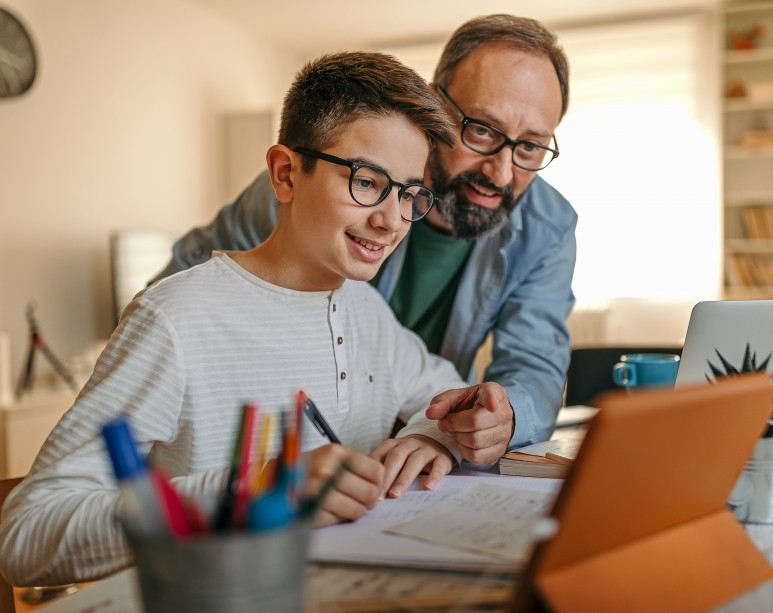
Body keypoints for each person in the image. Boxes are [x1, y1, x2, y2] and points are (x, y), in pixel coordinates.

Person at [0, 51, 512, 586]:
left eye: (409, 193)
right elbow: (26, 536)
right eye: (366, 181)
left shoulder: (365, 309)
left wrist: (436, 436)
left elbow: (451, 395)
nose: (389, 220)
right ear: (285, 174)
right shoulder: (175, 320)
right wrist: (254, 493)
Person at [153, 14, 577, 466]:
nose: (502, 172)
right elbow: (195, 289)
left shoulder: (548, 228)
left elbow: (532, 367)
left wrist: (486, 422)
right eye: (482, 131)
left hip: (415, 442)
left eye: (531, 146)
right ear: (436, 105)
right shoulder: (313, 182)